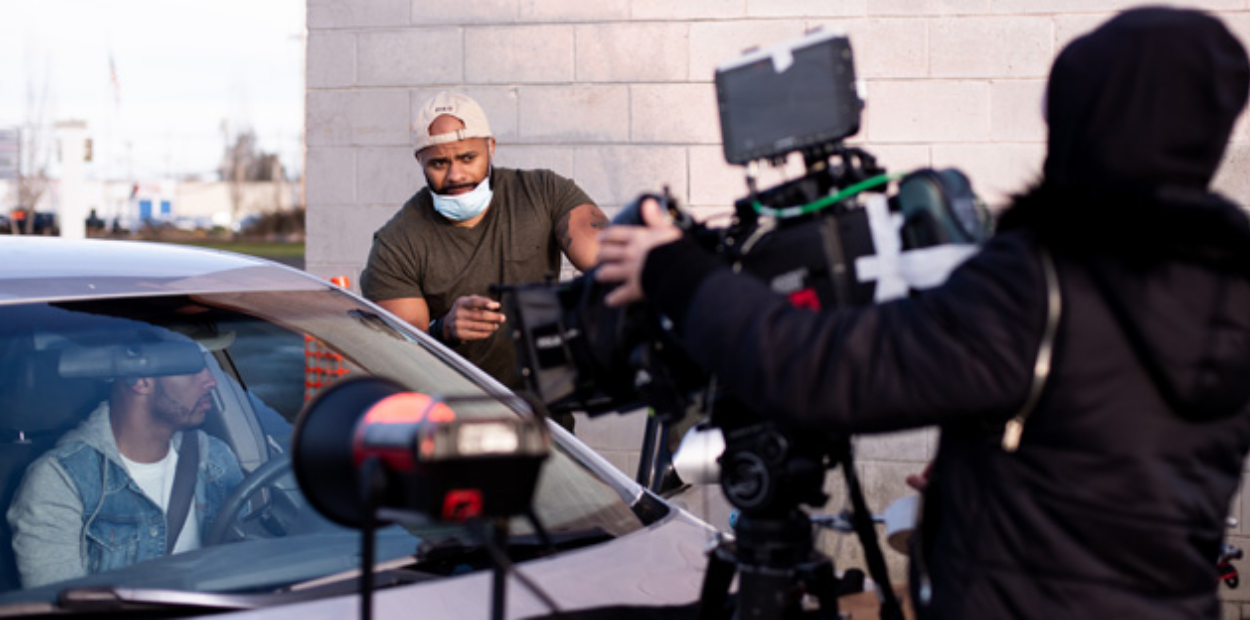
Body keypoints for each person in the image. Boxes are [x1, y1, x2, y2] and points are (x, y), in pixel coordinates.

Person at [595, 7, 1250, 619]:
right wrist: (985, 470)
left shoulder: (1043, 276)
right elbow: (1118, 452)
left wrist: (675, 270)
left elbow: (820, 373)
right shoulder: (1228, 285)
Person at [362, 91, 608, 428]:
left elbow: (606, 256)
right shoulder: (397, 244)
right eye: (439, 163)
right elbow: (398, 357)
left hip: (546, 425)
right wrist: (444, 329)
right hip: (453, 431)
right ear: (419, 160)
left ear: (490, 147)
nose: (455, 176)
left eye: (467, 158)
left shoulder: (544, 193)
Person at [7, 346, 243, 589]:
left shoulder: (214, 458)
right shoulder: (60, 480)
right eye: (193, 369)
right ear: (142, 382)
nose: (212, 381)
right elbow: (61, 604)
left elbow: (253, 553)